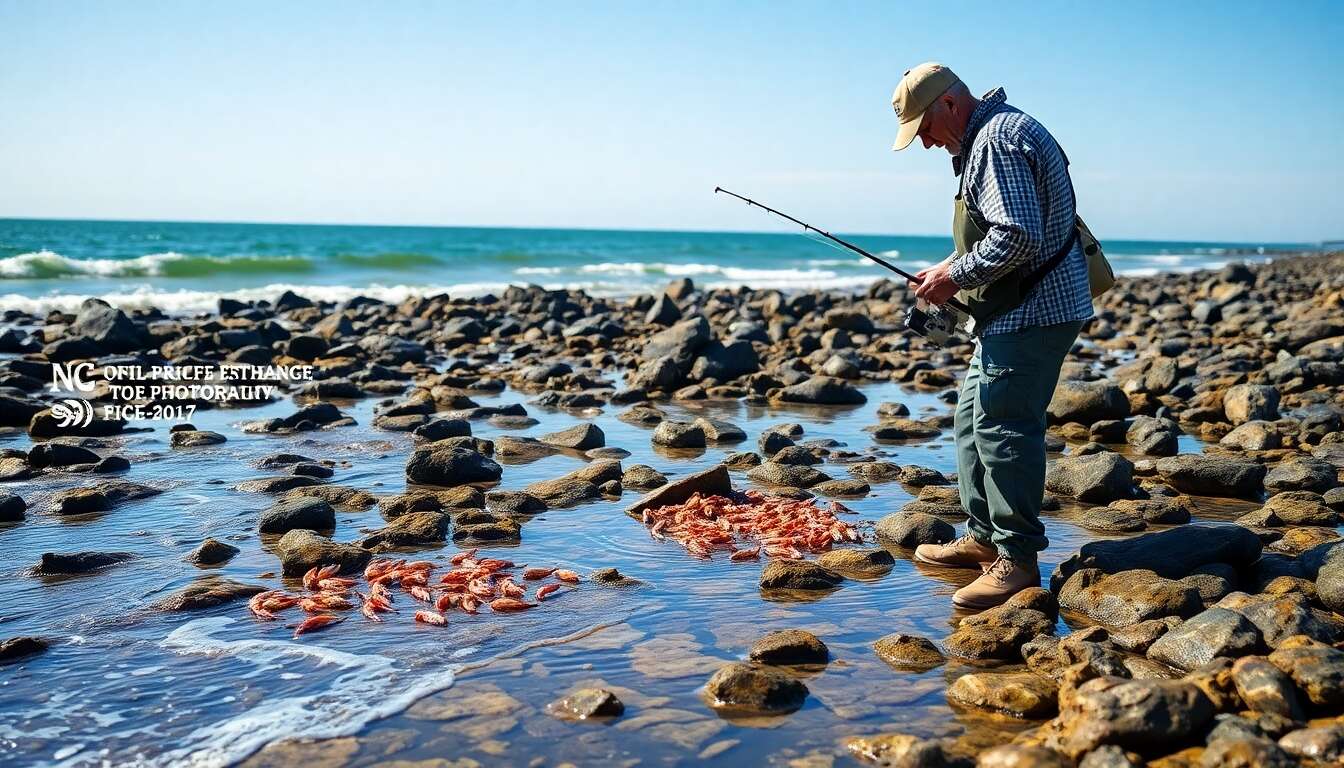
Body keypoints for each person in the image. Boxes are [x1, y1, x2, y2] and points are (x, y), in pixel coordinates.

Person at [890, 62, 1093, 609]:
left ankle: (1018, 561)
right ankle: (984, 539)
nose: (928, 144)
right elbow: (1006, 230)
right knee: (970, 421)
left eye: (925, 129)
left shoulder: (997, 141)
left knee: (1004, 430)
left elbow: (1016, 237)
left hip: (1035, 310)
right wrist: (947, 266)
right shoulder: (991, 133)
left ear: (950, 106)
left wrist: (953, 276)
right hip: (1013, 310)